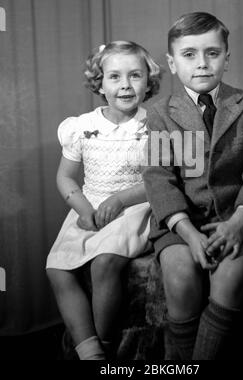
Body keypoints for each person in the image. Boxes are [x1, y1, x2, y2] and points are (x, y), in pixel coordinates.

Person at [142, 12, 243, 360]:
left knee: (231, 272)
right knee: (179, 274)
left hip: (240, 219)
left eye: (212, 53)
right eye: (189, 54)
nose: (202, 63)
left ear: (227, 58)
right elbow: (159, 176)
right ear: (172, 63)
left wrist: (239, 223)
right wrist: (187, 232)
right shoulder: (160, 112)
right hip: (182, 222)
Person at [46, 41, 161, 360]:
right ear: (99, 82)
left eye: (135, 75)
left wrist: (122, 199)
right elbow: (65, 177)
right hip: (90, 204)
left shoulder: (154, 125)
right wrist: (83, 209)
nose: (125, 85)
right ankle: (89, 349)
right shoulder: (82, 127)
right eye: (114, 76)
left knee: (105, 260)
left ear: (148, 81)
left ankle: (107, 343)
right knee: (57, 268)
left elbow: (161, 179)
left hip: (135, 204)